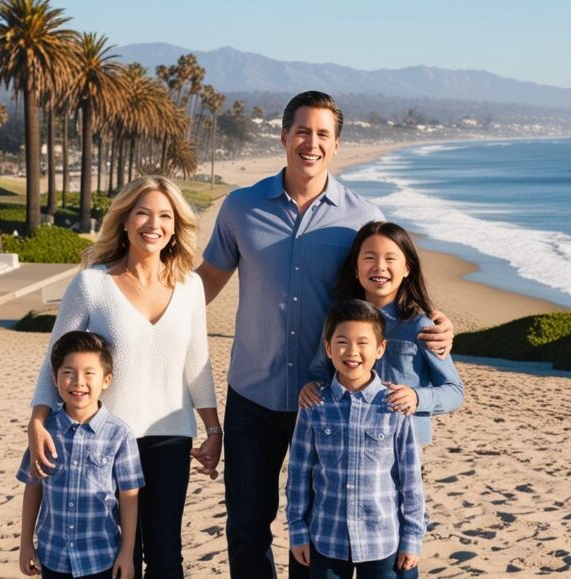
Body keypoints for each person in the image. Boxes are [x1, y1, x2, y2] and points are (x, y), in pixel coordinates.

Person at [196, 90, 453, 579]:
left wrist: (438, 320)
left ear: (336, 144)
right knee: (246, 528)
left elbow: (387, 280)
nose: (310, 143)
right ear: (283, 137)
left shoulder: (362, 214)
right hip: (253, 394)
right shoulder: (240, 207)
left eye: (322, 134)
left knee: (313, 535)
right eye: (301, 131)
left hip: (330, 402)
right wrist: (151, 313)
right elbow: (208, 279)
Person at [28, 176, 220, 579]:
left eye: (165, 215)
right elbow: (55, 357)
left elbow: (197, 363)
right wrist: (37, 420)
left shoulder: (190, 287)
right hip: (105, 439)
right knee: (119, 556)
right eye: (143, 213)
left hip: (171, 436)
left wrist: (213, 428)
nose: (154, 223)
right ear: (126, 220)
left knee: (166, 555)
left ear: (175, 227)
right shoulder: (92, 283)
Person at [286, 300, 424, 579]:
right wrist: (298, 530)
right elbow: (298, 474)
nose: (352, 352)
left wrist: (412, 536)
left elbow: (410, 479)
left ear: (380, 349)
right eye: (342, 342)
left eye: (363, 343)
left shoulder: (394, 405)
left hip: (382, 540)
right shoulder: (314, 404)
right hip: (326, 538)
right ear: (328, 348)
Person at [299, 221, 464, 446]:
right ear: (356, 269)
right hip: (346, 439)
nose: (379, 266)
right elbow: (320, 370)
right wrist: (314, 386)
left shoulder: (421, 327)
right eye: (369, 258)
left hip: (402, 445)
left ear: (407, 268)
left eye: (390, 258)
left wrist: (417, 397)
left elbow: (454, 391)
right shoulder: (339, 318)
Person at [17, 331, 144, 579]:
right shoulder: (45, 432)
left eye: (89, 373)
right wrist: (25, 544)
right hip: (53, 558)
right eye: (68, 372)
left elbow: (129, 495)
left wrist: (127, 553)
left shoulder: (119, 435)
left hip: (101, 558)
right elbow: (33, 487)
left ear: (106, 380)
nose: (78, 381)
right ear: (54, 379)